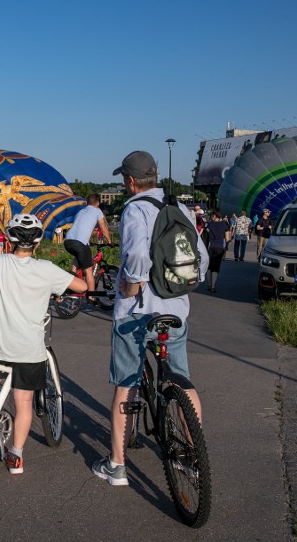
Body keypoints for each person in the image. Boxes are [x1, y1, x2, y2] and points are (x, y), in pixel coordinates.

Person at [91, 150, 208, 486]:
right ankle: (193, 454)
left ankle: (116, 465)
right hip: (175, 309)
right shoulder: (180, 208)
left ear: (130, 181)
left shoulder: (134, 210)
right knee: (181, 380)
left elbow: (138, 256)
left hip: (137, 313)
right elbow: (199, 257)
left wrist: (129, 285)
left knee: (125, 383)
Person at [0, 214, 87, 474]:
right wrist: (68, 280)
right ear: (36, 244)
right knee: (23, 402)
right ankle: (16, 456)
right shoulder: (47, 269)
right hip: (28, 351)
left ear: (10, 240)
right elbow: (81, 287)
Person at [64, 193, 112, 293]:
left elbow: (81, 227)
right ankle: (91, 296)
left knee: (77, 259)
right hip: (79, 243)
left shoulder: (81, 211)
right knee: (89, 272)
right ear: (98, 203)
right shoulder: (97, 211)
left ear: (87, 203)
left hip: (67, 241)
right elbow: (103, 228)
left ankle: (70, 284)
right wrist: (110, 241)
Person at [205, 210, 231, 292]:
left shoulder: (208, 224)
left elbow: (205, 236)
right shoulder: (224, 224)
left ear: (214, 216)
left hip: (209, 247)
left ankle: (209, 285)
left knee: (208, 266)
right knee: (216, 267)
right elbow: (227, 239)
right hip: (219, 247)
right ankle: (213, 286)